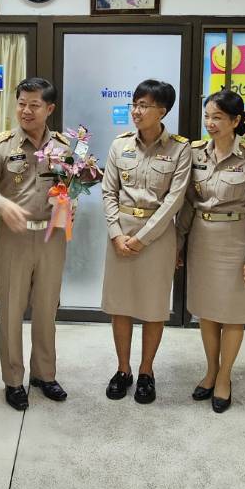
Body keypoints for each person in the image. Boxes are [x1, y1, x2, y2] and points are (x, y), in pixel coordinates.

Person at [0, 77, 71, 411]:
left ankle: (44, 374)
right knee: (12, 310)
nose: (25, 111)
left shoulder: (64, 146)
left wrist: (74, 194)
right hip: (14, 238)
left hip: (52, 236)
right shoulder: (1, 144)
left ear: (49, 109)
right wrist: (3, 205)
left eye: (33, 105)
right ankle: (13, 379)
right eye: (21, 103)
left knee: (47, 309)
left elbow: (72, 183)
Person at [100, 78, 192, 403]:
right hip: (120, 235)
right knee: (120, 307)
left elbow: (175, 200)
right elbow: (108, 191)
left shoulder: (180, 149)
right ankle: (123, 369)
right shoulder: (119, 145)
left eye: (144, 105)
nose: (136, 111)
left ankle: (146, 371)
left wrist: (141, 239)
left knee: (153, 309)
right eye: (135, 104)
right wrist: (116, 234)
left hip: (157, 238)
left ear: (162, 110)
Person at [181, 90, 245, 412]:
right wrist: (179, 243)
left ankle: (225, 377)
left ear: (236, 120)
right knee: (206, 312)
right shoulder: (195, 153)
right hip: (202, 240)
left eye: (217, 117)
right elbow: (189, 204)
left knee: (232, 314)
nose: (210, 123)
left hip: (236, 241)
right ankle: (210, 370)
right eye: (208, 116)